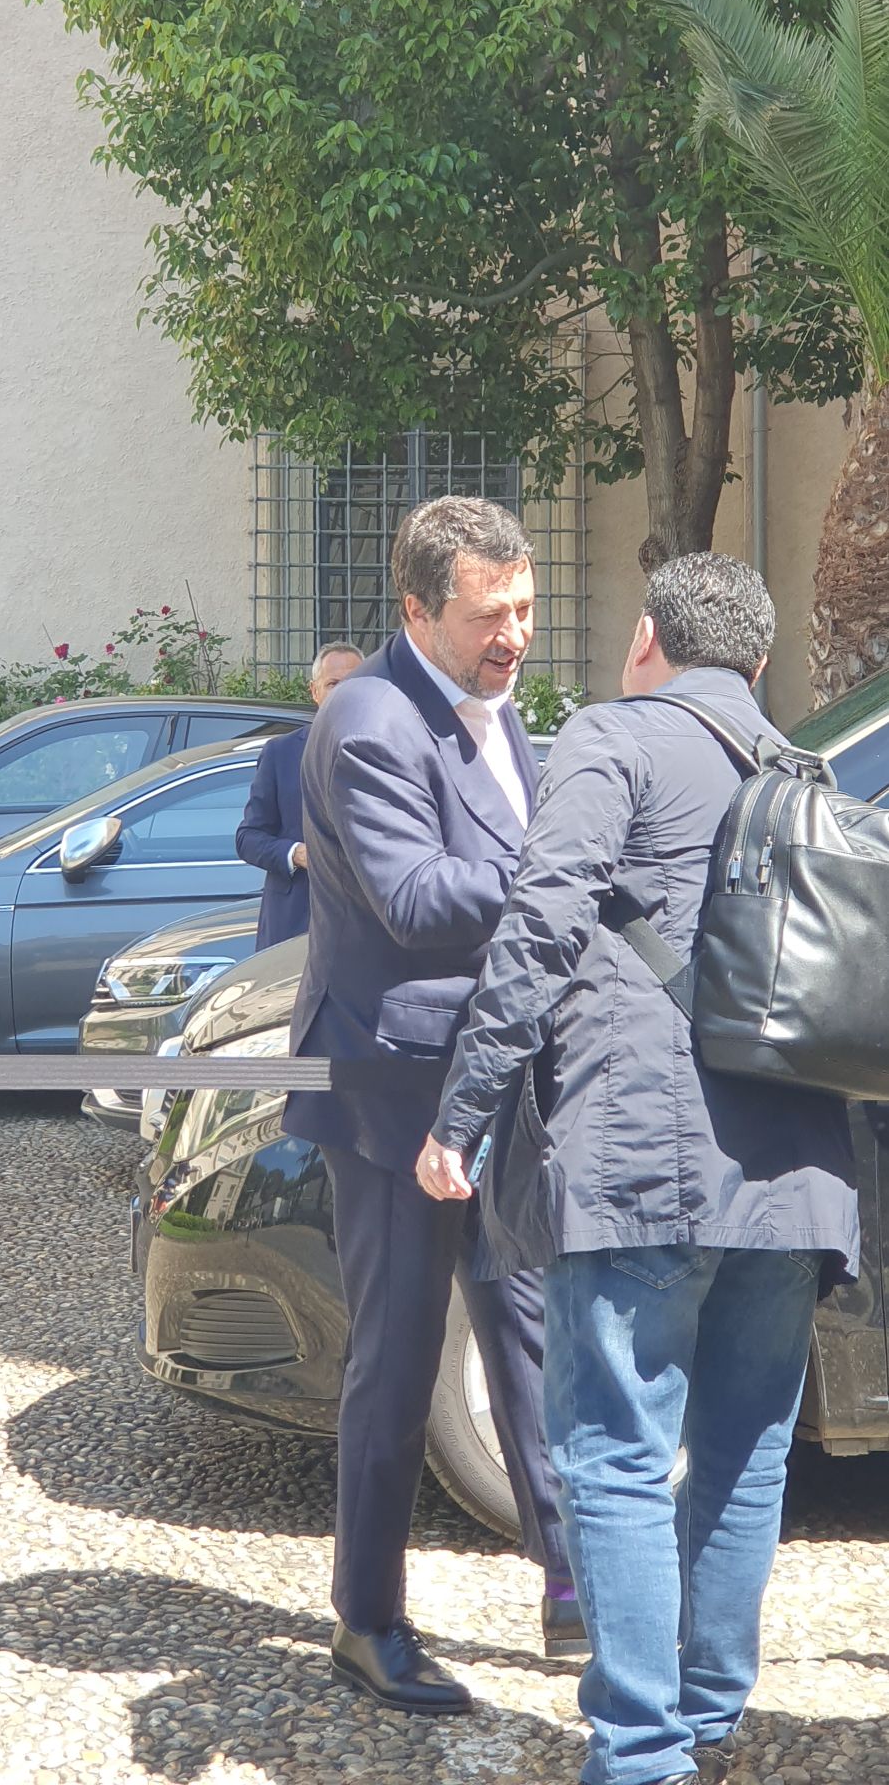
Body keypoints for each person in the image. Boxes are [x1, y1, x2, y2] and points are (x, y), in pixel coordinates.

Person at [418, 552, 859, 1785]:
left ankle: (642, 1753)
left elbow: (540, 922)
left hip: (639, 1160)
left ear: (646, 642)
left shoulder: (609, 738)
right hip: (795, 1172)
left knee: (613, 1453)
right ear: (758, 665)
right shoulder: (805, 772)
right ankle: (708, 1717)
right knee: (746, 1454)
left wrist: (462, 1113)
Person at [282, 496, 579, 1717]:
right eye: (487, 615)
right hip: (394, 1093)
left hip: (496, 1083)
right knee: (398, 1362)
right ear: (415, 610)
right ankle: (368, 1622)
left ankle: (573, 1587)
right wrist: (565, 867)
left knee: (531, 1339)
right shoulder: (365, 719)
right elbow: (413, 899)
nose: (515, 636)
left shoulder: (498, 705)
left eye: (525, 608)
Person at [235, 643, 363, 950]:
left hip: (367, 927)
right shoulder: (281, 753)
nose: (342, 692)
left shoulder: (388, 751)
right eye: (332, 683)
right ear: (314, 691)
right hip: (295, 924)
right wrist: (297, 854)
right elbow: (248, 838)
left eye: (352, 683)